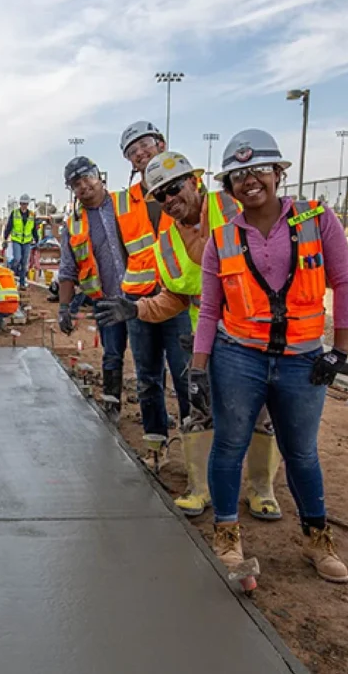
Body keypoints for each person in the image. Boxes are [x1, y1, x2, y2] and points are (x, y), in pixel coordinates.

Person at [192, 129, 348, 583]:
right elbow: (210, 309)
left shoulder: (318, 221)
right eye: (238, 175)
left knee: (301, 452)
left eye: (259, 170)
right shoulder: (221, 240)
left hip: (303, 359)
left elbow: (344, 283)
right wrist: (199, 368)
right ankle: (226, 534)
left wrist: (340, 350)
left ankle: (318, 540)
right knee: (229, 444)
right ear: (228, 187)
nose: (249, 181)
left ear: (278, 173)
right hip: (239, 356)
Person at [94, 151, 282, 520]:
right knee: (200, 411)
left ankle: (262, 490)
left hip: (257, 335)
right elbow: (176, 297)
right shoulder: (167, 241)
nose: (169, 199)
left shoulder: (231, 209)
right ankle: (201, 489)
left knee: (260, 414)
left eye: (174, 188)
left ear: (194, 182)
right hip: (208, 341)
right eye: (160, 195)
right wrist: (137, 309)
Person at [114, 121, 192, 462]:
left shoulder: (191, 187)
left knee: (188, 376)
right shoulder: (124, 202)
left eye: (144, 145)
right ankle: (156, 447)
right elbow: (122, 250)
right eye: (132, 152)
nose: (140, 153)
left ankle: (195, 453)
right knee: (147, 377)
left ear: (162, 144)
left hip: (179, 299)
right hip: (139, 301)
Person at [57, 157, 129, 417]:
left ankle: (155, 420)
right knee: (112, 355)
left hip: (141, 296)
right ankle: (112, 406)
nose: (83, 185)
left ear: (99, 175)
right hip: (107, 299)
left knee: (150, 362)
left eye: (87, 177)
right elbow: (67, 269)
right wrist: (64, 308)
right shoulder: (74, 225)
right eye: (76, 183)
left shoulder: (127, 206)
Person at [3, 194, 38, 290]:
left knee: (24, 263)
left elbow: (34, 229)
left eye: (25, 204)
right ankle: (12, 273)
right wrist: (5, 238)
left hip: (27, 242)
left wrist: (37, 240)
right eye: (22, 204)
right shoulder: (14, 213)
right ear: (20, 204)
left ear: (28, 204)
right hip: (16, 241)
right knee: (17, 259)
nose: (24, 205)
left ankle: (22, 283)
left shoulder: (31, 215)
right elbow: (9, 227)